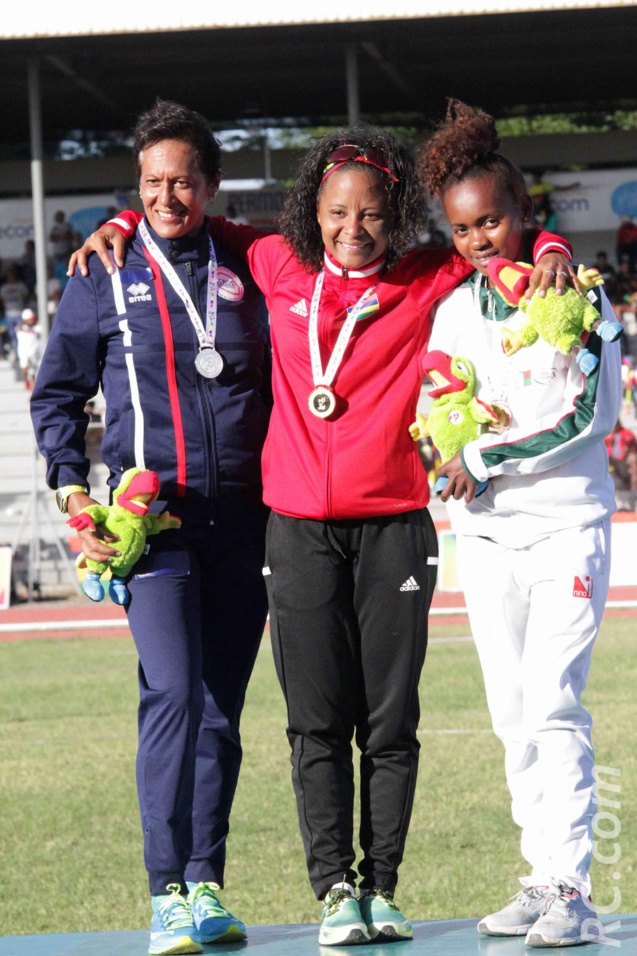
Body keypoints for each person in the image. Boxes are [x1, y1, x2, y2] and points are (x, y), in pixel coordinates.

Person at [71, 121, 574, 948]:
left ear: (397, 213)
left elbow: (493, 237)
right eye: (336, 212)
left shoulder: (424, 273)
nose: (352, 228)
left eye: (372, 213)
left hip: (394, 528)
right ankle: (335, 889)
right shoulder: (274, 260)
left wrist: (550, 238)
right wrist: (123, 220)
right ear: (312, 209)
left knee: (389, 720)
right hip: (296, 528)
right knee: (314, 722)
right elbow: (178, 215)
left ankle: (383, 885)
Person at [31, 100, 272, 956]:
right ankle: (164, 889)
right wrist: (72, 494)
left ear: (210, 185)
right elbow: (56, 393)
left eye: (182, 181)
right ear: (136, 190)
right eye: (150, 183)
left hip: (246, 521)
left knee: (220, 712)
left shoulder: (248, 256)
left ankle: (206, 883)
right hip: (155, 522)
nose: (166, 195)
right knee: (172, 693)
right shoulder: (105, 270)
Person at [417, 99, 622, 948]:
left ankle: (571, 884)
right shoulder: (456, 309)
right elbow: (443, 405)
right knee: (508, 711)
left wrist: (485, 459)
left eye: (492, 222)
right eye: (462, 230)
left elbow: (592, 414)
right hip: (487, 536)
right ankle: (537, 877)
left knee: (551, 703)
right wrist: (440, 446)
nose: (478, 241)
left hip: (565, 525)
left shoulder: (575, 294)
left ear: (526, 217)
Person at [0, 265, 30, 364]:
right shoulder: (4, 288)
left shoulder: (20, 286)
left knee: (21, 335)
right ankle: (16, 353)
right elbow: (2, 300)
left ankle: (22, 354)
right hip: (9, 314)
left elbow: (26, 296)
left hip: (19, 313)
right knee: (12, 335)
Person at [15, 306, 42, 389]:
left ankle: (33, 385)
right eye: (29, 319)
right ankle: (25, 379)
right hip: (24, 351)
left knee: (33, 369)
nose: (31, 320)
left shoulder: (37, 327)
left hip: (34, 350)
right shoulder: (19, 328)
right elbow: (19, 331)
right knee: (25, 367)